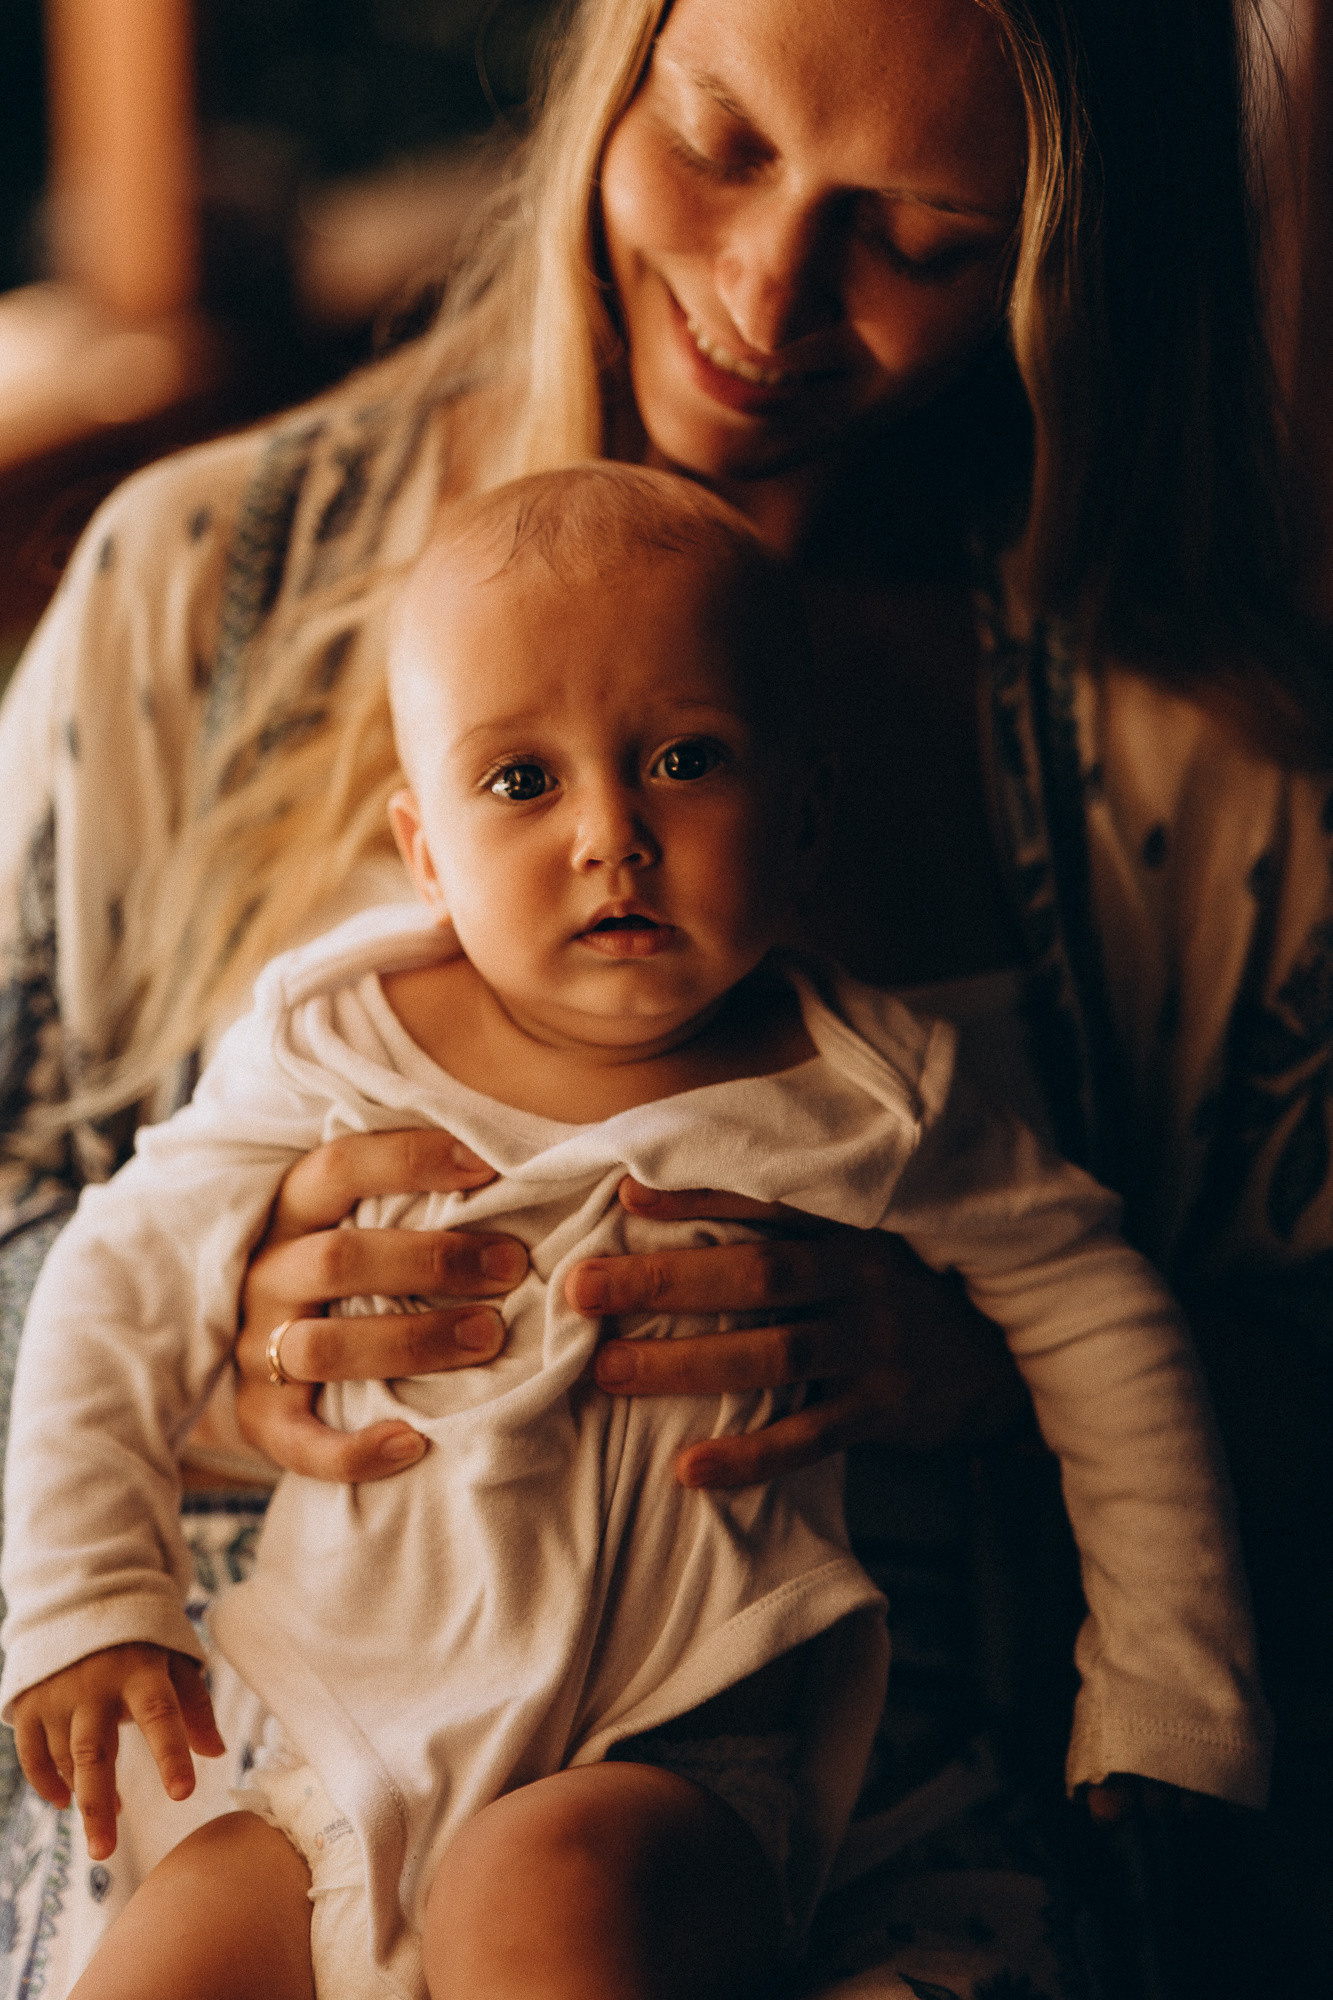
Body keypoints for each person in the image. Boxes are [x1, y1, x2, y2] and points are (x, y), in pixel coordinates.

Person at [0, 0, 1328, 1983]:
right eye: (719, 144)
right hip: (274, 1737)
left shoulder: (1181, 757)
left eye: (919, 231)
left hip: (769, 1786)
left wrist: (978, 1375)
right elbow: (61, 1237)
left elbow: (1257, 1389)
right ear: (609, 74)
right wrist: (220, 1354)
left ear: (1059, 256)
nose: (762, 292)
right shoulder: (201, 582)